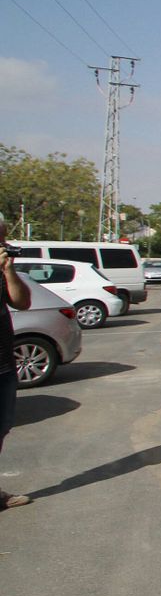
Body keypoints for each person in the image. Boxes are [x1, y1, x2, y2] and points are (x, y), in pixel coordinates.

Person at [0, 212, 34, 510]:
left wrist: (9, 272)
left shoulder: (3, 269)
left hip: (3, 365)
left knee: (1, 427)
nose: (4, 243)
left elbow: (22, 302)